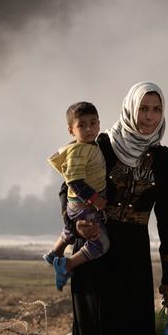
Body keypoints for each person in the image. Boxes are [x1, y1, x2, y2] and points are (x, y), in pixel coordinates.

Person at [68, 81, 168, 335]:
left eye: (156, 110)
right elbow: (68, 186)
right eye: (144, 109)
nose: (149, 117)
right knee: (95, 333)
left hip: (133, 251)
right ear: (131, 109)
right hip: (96, 247)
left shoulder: (165, 160)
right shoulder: (100, 146)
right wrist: (74, 225)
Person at [44, 101, 110, 291]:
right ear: (71, 130)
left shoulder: (91, 146)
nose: (89, 129)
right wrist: (94, 199)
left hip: (81, 204)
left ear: (99, 123)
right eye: (82, 125)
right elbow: (73, 181)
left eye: (93, 123)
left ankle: (54, 253)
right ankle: (67, 264)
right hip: (83, 205)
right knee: (101, 244)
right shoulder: (78, 151)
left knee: (71, 232)